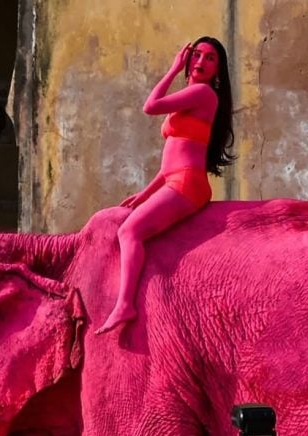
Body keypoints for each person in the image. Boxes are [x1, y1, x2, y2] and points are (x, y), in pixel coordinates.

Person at [96, 37, 234, 334]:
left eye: (210, 58)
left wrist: (172, 69)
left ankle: (125, 305)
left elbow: (150, 106)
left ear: (218, 70)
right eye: (196, 55)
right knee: (132, 225)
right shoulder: (192, 95)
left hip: (187, 183)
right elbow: (172, 160)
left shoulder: (202, 93)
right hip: (176, 179)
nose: (200, 61)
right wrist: (146, 193)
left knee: (128, 231)